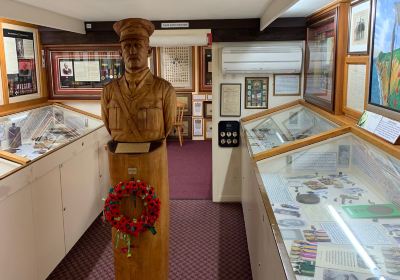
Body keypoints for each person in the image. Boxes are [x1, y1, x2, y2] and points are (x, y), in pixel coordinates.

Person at [101, 18, 176, 143]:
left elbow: (166, 128)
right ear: (120, 53)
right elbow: (109, 127)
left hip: (152, 158)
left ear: (149, 51)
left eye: (138, 45)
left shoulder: (165, 90)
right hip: (120, 158)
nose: (132, 51)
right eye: (127, 46)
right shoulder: (108, 91)